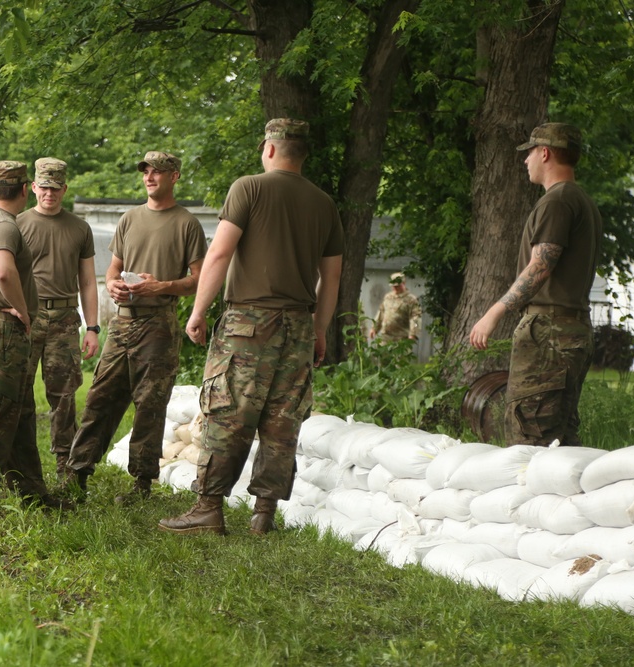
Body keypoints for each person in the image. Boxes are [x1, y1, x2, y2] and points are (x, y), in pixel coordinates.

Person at [159, 118, 343, 536]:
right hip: (298, 325)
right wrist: (319, 329)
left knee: (228, 414)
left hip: (248, 323)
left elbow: (220, 253)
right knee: (282, 421)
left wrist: (198, 310)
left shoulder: (250, 187)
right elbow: (331, 277)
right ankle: (263, 514)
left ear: (271, 148)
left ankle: (207, 508)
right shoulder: (323, 203)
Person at [65, 151, 207, 504]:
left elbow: (200, 279)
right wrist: (112, 285)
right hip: (122, 325)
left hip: (159, 326)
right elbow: (114, 269)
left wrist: (161, 286)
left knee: (150, 405)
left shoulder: (186, 223)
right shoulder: (129, 219)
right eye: (145, 171)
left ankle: (142, 485)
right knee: (100, 398)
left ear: (174, 177)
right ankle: (77, 475)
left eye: (157, 172)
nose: (149, 177)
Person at [469, 122, 602, 447]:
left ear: (545, 153)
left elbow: (541, 265)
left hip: (550, 334)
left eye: (529, 153)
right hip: (567, 331)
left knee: (530, 436)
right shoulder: (580, 200)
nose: (525, 160)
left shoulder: (558, 202)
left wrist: (494, 312)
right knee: (559, 437)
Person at [0, 160, 67, 517]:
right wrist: (21, 309)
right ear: (24, 190)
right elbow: (4, 271)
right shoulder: (4, 225)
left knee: (19, 416)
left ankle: (32, 494)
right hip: (2, 331)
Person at [16, 158, 99, 478]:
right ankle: (20, 464)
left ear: (64, 189)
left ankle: (66, 463)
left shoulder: (79, 228)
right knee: (19, 390)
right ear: (34, 187)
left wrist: (92, 327)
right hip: (28, 315)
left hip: (65, 318)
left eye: (56, 188)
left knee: (64, 395)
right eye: (44, 187)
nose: (49, 193)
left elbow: (88, 281)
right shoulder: (18, 223)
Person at [369, 272, 421, 342]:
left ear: (404, 283)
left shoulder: (411, 300)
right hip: (386, 336)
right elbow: (381, 313)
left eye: (397, 286)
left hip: (402, 337)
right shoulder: (388, 297)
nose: (395, 288)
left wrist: (413, 334)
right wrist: (374, 328)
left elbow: (415, 317)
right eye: (393, 286)